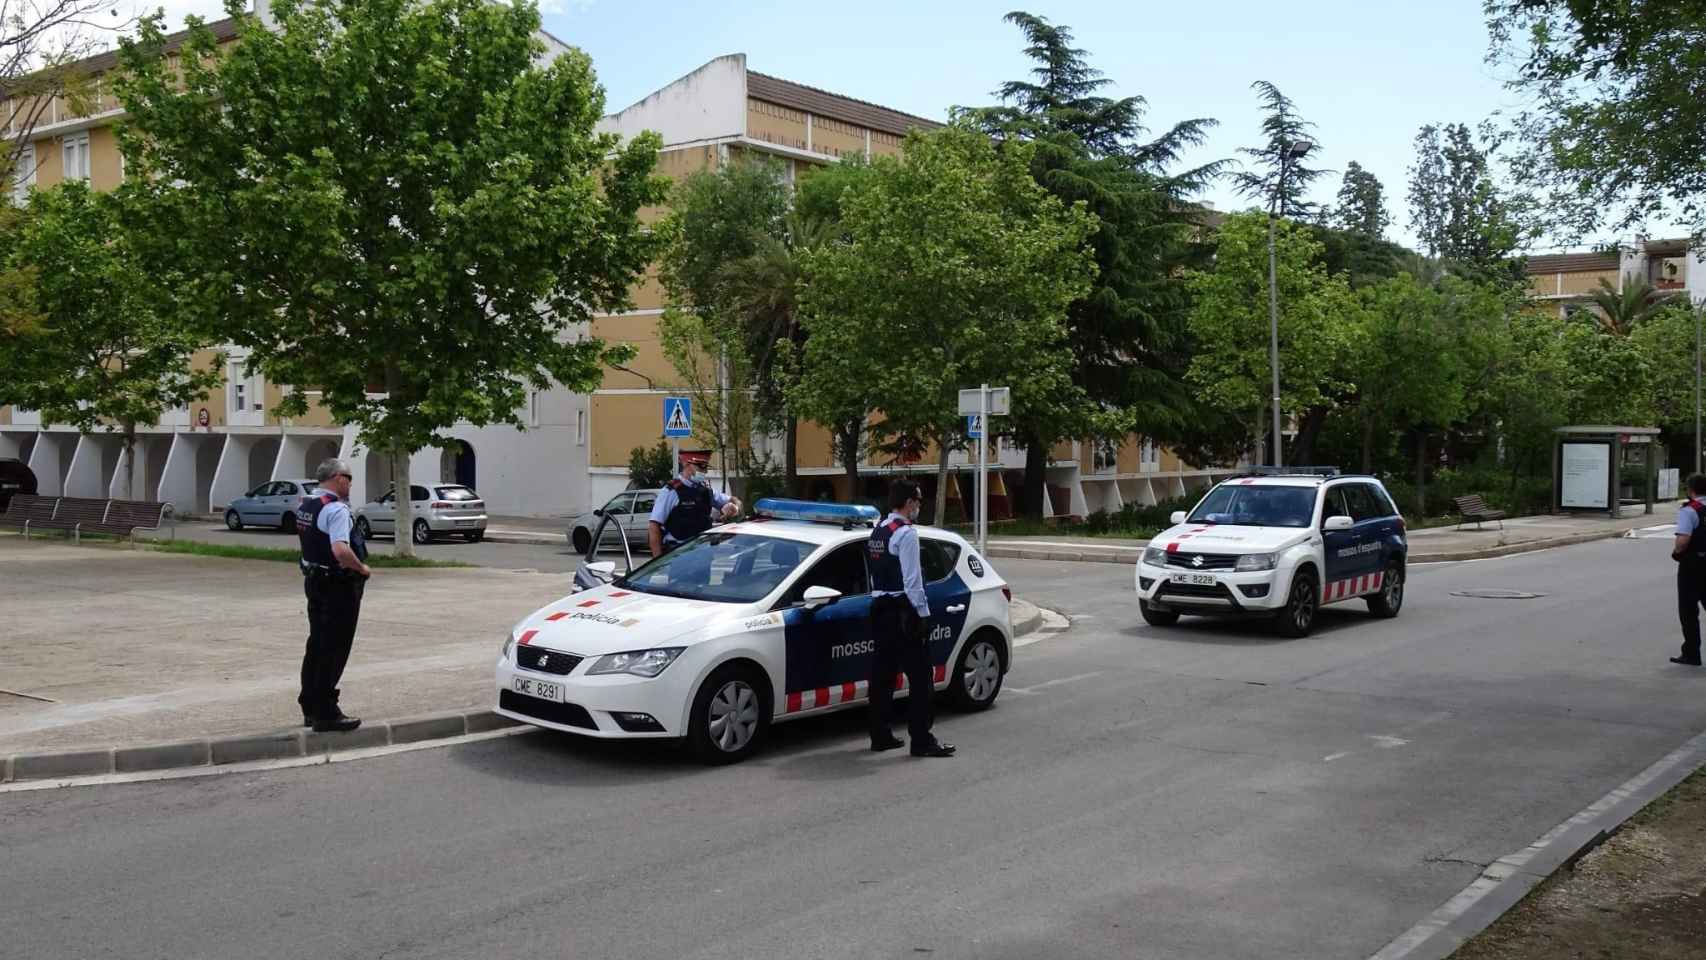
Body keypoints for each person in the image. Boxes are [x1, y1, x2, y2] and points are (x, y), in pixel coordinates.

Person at [865, 480, 955, 758]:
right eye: (917, 500)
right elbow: (913, 581)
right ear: (907, 502)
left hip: (879, 608)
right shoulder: (906, 534)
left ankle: (880, 735)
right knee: (920, 679)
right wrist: (924, 615)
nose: (919, 505)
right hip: (903, 611)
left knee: (882, 677)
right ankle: (921, 739)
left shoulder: (878, 530)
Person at [296, 458, 370, 732]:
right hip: (337, 585)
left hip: (314, 580)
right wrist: (361, 568)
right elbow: (340, 550)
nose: (350, 483)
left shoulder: (308, 504)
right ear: (339, 478)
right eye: (349, 478)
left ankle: (310, 706)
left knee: (316, 644)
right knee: (335, 648)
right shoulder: (336, 509)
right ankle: (326, 711)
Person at [647, 451, 741, 557]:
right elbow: (654, 526)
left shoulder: (705, 490)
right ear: (686, 464)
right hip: (679, 553)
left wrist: (734, 507)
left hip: (703, 551)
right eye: (701, 466)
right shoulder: (671, 491)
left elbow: (734, 500)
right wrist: (658, 562)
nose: (704, 471)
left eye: (706, 467)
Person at [1672, 473, 1706, 667]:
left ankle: (1692, 653)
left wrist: (1677, 552)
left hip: (1694, 565)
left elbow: (1683, 541)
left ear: (1691, 490)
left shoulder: (1689, 510)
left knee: (1688, 609)